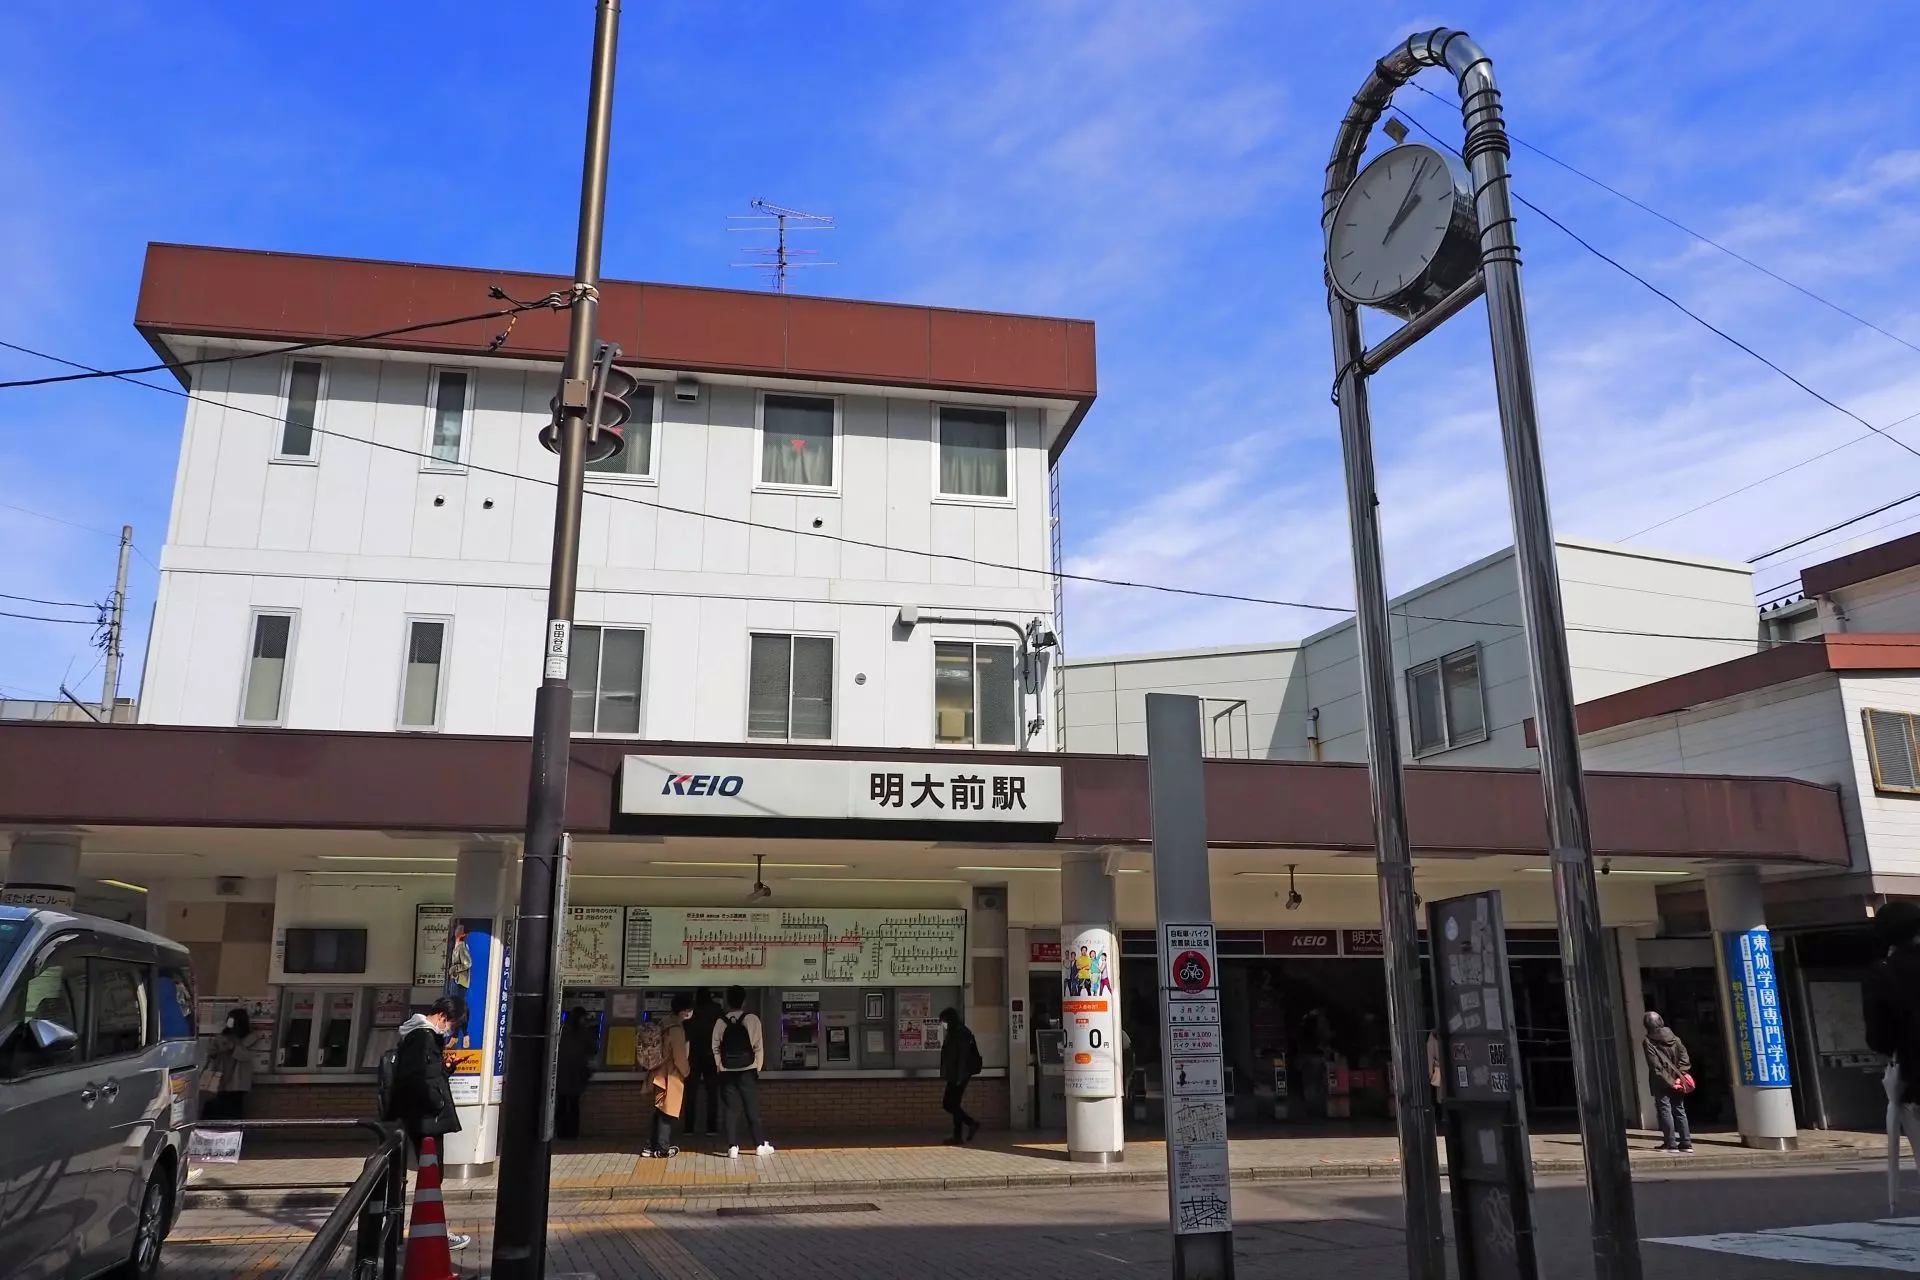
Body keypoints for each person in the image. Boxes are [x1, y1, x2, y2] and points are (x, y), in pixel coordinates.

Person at [392, 995, 470, 1251]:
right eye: (454, 1024)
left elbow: (428, 1076)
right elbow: (416, 1081)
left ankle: (428, 1231)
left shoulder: (420, 1037)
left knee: (431, 1177)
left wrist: (446, 1068)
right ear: (444, 1017)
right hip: (426, 1119)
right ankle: (431, 1234)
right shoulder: (422, 1038)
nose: (452, 1030)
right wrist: (436, 1104)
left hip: (425, 1118)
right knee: (431, 1177)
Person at [712, 985, 773, 1158]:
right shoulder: (752, 1019)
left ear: (727, 1001)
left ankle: (732, 1147)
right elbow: (758, 1046)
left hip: (727, 1071)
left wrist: (720, 1066)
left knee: (730, 1110)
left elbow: (715, 1047)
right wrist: (757, 1067)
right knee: (751, 1108)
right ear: (744, 1000)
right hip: (748, 1071)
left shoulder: (720, 1021)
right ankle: (759, 1145)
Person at [645, 994, 694, 1158]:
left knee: (659, 1110)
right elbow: (680, 1056)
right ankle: (663, 1148)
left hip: (657, 1073)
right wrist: (686, 1072)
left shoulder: (663, 1023)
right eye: (689, 1009)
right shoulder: (677, 1029)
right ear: (684, 1011)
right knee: (667, 1111)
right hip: (670, 1075)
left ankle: (650, 1147)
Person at [1642, 1010, 1694, 1154]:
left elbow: (1655, 1067)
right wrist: (1679, 1078)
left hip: (1661, 1082)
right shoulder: (1675, 1038)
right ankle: (1686, 1143)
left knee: (1665, 1110)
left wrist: (1671, 1082)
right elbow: (1685, 1059)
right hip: (1678, 1079)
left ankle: (1671, 1144)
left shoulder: (1648, 1041)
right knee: (1679, 1109)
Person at [200, 1008, 261, 1121]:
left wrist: (233, 1047)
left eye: (233, 1020)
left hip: (238, 1080)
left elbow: (247, 1056)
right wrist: (216, 1050)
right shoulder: (222, 1036)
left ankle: (234, 1133)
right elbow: (211, 1053)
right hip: (220, 1078)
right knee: (219, 1106)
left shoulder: (251, 1038)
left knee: (234, 1108)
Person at [682, 987, 722, 1139]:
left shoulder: (692, 1012)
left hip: (694, 1055)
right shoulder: (717, 1010)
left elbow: (686, 1032)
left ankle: (688, 1128)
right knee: (712, 1093)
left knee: (691, 1093)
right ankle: (712, 1127)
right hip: (712, 1055)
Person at [937, 1007, 982, 1144]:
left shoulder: (961, 1033)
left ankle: (971, 1124)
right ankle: (958, 1136)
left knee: (948, 1104)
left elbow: (962, 1056)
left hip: (959, 1075)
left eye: (944, 1021)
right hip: (955, 1074)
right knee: (954, 1104)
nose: (943, 1024)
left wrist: (960, 1077)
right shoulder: (954, 1032)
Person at [554, 1006, 596, 1141]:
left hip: (561, 1072)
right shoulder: (584, 1031)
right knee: (573, 1103)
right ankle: (573, 1132)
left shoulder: (561, 1030)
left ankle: (561, 1132)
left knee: (561, 1103)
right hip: (577, 1072)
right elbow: (594, 1049)